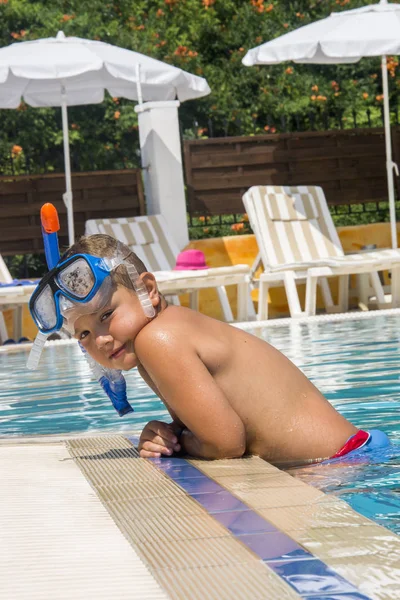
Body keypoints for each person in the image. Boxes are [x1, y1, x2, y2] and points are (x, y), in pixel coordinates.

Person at [30, 233, 390, 467]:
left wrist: (181, 445)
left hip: (344, 466)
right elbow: (217, 422)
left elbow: (224, 442)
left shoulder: (158, 340)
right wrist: (167, 435)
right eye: (85, 334)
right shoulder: (167, 332)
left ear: (149, 290)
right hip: (357, 450)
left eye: (108, 314)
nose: (101, 339)